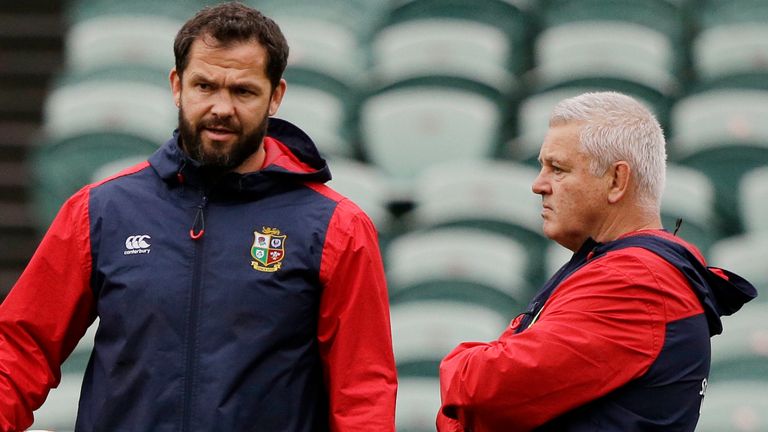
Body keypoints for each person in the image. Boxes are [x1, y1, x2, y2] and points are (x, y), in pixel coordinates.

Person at [0, 2, 397, 431]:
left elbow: (362, 393)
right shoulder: (101, 211)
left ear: (275, 96)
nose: (221, 107)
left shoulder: (336, 228)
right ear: (177, 86)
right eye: (205, 86)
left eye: (243, 91)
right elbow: (21, 348)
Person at [437, 91, 757, 431]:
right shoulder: (627, 269)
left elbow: (479, 389)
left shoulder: (636, 281)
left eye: (557, 169)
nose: (538, 185)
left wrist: (460, 366)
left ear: (617, 180)